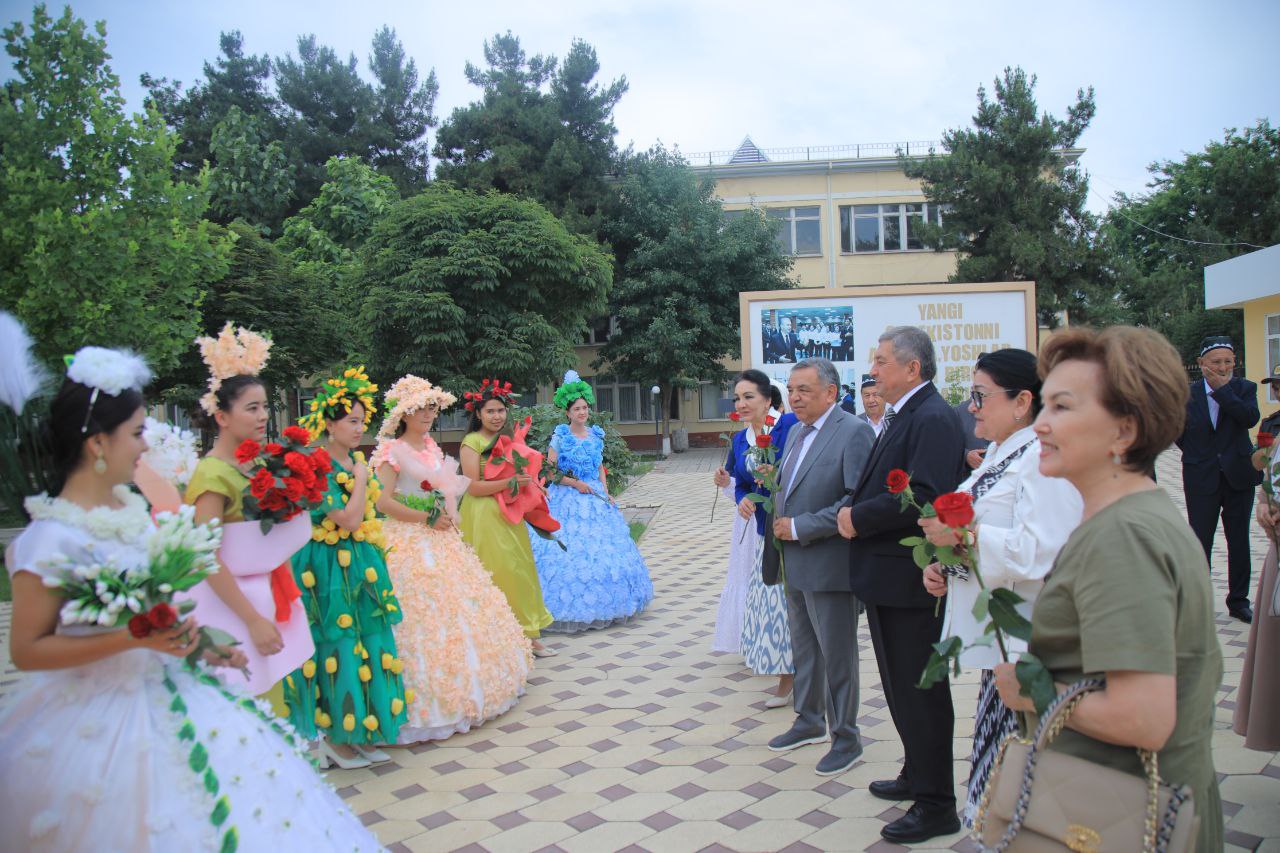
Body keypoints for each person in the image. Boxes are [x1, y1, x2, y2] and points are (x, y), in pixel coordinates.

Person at [0, 344, 382, 852]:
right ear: (97, 444)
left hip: (170, 689)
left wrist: (200, 643)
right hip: (96, 723)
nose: (144, 448)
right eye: (136, 434)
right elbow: (27, 650)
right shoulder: (49, 542)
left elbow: (156, 614)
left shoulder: (132, 522)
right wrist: (136, 637)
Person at [994, 325, 1223, 853]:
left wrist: (1032, 691)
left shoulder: (1123, 536)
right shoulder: (1128, 518)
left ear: (1125, 430)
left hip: (1125, 818)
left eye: (1063, 407)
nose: (1041, 425)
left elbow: (1142, 717)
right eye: (1044, 405)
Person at [917, 349, 1082, 827]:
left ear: (1022, 401)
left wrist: (964, 539)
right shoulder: (1001, 453)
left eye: (980, 395)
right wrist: (946, 567)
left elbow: (1041, 553)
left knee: (1022, 783)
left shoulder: (1039, 460)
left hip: (1030, 643)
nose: (971, 407)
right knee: (1000, 778)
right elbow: (984, 532)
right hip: (1001, 648)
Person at [837, 327, 967, 843]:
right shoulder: (907, 412)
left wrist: (857, 517)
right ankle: (918, 772)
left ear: (913, 368)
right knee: (899, 687)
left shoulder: (932, 416)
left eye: (882, 361)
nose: (873, 370)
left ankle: (938, 804)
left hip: (912, 581)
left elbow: (926, 494)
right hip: (889, 578)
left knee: (921, 691)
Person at [372, 375, 533, 742]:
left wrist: (443, 517)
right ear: (403, 414)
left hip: (443, 537)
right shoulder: (390, 451)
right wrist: (426, 517)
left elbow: (446, 491)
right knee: (421, 614)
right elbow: (383, 502)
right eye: (419, 408)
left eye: (431, 407)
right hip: (409, 541)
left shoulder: (430, 446)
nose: (428, 413)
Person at [283, 368, 408, 768]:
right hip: (325, 567)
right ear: (329, 423)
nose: (359, 428)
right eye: (351, 421)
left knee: (370, 643)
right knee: (337, 646)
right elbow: (349, 518)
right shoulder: (316, 465)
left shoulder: (354, 459)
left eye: (361, 420)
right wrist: (358, 480)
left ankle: (364, 730)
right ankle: (336, 739)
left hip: (359, 562)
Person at [185, 324, 312, 713]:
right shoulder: (212, 474)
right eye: (251, 408)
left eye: (265, 408)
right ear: (221, 416)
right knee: (240, 705)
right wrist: (252, 619)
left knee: (272, 704)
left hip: (267, 593)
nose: (262, 417)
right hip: (228, 607)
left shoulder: (258, 466)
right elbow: (205, 556)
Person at [763, 359, 875, 777]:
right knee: (804, 648)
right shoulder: (794, 431)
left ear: (831, 392)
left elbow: (854, 502)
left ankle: (846, 736)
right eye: (792, 389)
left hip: (830, 563)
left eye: (804, 390)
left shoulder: (854, 432)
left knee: (838, 653)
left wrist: (801, 525)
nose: (794, 397)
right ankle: (808, 719)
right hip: (794, 560)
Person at [530, 370, 653, 631]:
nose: (582, 413)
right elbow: (550, 472)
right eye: (577, 409)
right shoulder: (560, 437)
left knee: (603, 550)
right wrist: (575, 484)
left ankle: (609, 601)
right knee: (568, 551)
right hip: (567, 498)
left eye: (585, 408)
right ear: (567, 412)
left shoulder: (596, 435)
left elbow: (599, 468)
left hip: (595, 496)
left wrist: (606, 491)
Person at [714, 371, 798, 705]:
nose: (741, 404)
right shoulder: (740, 440)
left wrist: (776, 475)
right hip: (765, 531)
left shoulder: (789, 427)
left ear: (768, 398)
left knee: (795, 604)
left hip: (795, 527)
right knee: (773, 604)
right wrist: (742, 498)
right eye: (737, 398)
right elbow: (744, 483)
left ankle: (803, 675)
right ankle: (786, 675)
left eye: (748, 397)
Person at [457, 378, 557, 656]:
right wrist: (510, 481)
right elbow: (472, 486)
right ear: (478, 414)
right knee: (497, 573)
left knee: (521, 571)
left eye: (500, 411)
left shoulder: (507, 441)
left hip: (509, 512)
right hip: (483, 514)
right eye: (489, 411)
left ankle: (529, 635)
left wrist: (533, 487)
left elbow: (521, 477)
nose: (496, 416)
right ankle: (495, 637)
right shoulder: (471, 442)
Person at [1175, 335, 1261, 623]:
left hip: (1239, 476)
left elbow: (1249, 418)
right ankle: (1197, 604)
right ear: (1201, 364)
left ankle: (1238, 601)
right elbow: (1178, 432)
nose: (1223, 367)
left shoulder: (1244, 389)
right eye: (1216, 362)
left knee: (1239, 541)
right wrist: (1200, 455)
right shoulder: (1187, 394)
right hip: (1201, 475)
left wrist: (1225, 392)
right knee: (1199, 541)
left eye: (1228, 361)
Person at [1234, 374, 1280, 751]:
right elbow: (1261, 467)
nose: (1278, 392)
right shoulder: (1271, 424)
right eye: (1276, 387)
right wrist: (1265, 505)